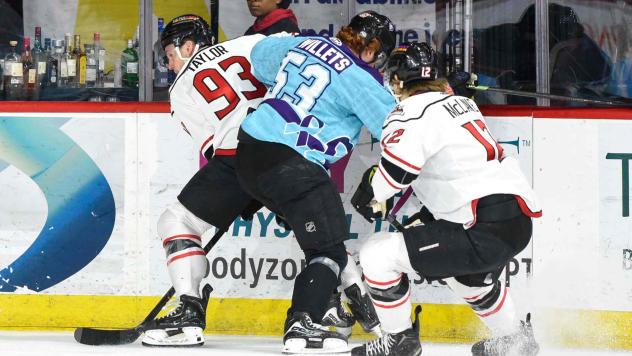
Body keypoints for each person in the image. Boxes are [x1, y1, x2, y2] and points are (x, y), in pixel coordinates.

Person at [350, 42, 542, 356]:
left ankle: (399, 342)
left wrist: (373, 186)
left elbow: (394, 178)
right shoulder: (461, 104)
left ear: (398, 81)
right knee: (467, 278)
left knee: (376, 254)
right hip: (515, 222)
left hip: (480, 227)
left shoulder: (406, 114)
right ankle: (515, 341)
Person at [234, 10, 397, 354]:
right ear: (373, 51)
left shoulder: (309, 42)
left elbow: (259, 58)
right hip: (295, 166)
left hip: (248, 154)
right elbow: (396, 130)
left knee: (324, 240)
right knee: (327, 250)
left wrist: (293, 46)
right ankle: (302, 321)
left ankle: (330, 309)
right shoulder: (360, 77)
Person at [140, 14, 270, 347]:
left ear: (189, 46)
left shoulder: (181, 89)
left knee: (176, 221)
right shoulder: (250, 43)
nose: (169, 65)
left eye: (170, 55)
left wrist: (245, 192)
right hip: (294, 151)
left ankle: (189, 312)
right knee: (317, 232)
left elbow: (215, 149)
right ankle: (335, 310)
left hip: (239, 158)